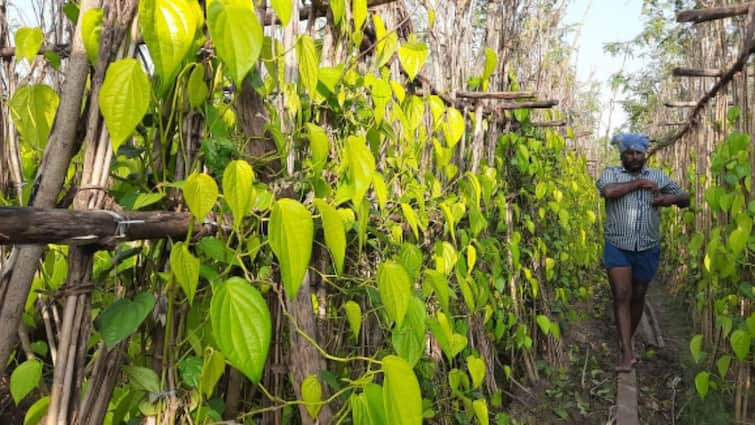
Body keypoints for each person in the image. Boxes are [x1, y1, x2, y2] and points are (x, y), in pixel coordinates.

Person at [596, 133, 690, 373]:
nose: (635, 157)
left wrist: (666, 199)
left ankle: (626, 340)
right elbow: (608, 192)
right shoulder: (612, 174)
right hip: (618, 245)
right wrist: (637, 184)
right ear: (622, 154)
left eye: (639, 153)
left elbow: (684, 198)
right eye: (630, 153)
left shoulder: (657, 176)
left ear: (645, 154)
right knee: (621, 295)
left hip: (647, 246)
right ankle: (627, 353)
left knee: (638, 296)